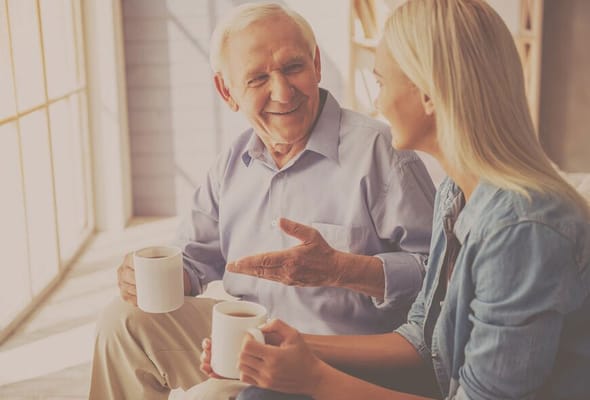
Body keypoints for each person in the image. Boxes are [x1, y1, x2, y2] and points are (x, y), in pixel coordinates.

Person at [197, 0, 590, 399]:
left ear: (428, 95)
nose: (375, 103)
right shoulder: (457, 194)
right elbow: (423, 339)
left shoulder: (521, 230)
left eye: (382, 83)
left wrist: (314, 378)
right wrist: (287, 345)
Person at [88, 3, 436, 399]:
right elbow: (192, 258)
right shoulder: (232, 163)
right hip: (241, 340)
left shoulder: (383, 152)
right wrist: (146, 276)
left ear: (317, 64)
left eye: (293, 68)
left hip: (338, 360)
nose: (283, 92)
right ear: (227, 91)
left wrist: (342, 270)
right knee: (124, 320)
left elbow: (442, 277)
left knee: (208, 397)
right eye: (257, 79)